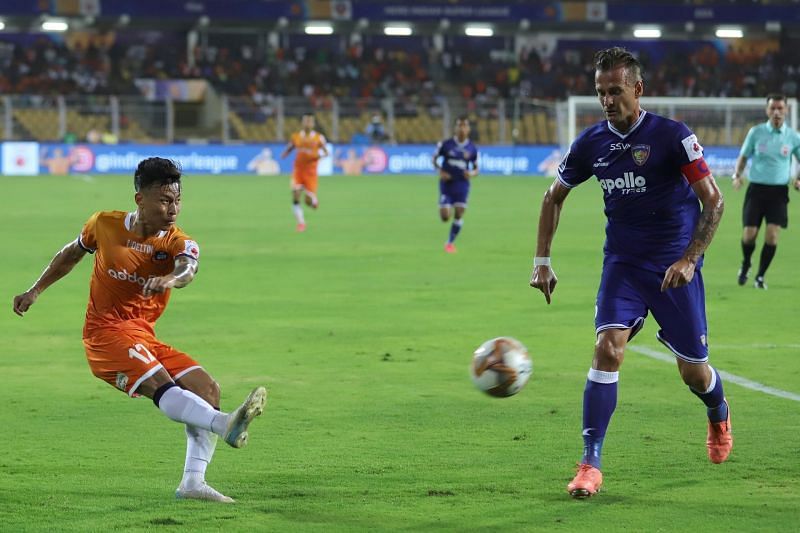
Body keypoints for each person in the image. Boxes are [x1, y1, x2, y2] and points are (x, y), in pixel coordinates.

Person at [529, 47, 731, 499]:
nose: (606, 100)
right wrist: (542, 260)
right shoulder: (591, 143)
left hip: (673, 269)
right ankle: (589, 464)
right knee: (607, 349)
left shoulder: (673, 137)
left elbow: (713, 200)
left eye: (615, 91)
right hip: (623, 264)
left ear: (637, 89)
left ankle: (718, 411)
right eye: (600, 92)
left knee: (694, 374)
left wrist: (690, 258)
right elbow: (552, 197)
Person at [12, 157, 267, 503]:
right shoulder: (103, 224)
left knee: (206, 388)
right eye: (164, 200)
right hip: (104, 335)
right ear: (140, 199)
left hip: (142, 336)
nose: (172, 208)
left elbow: (187, 270)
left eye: (177, 200)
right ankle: (224, 425)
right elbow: (71, 254)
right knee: (160, 383)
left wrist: (171, 278)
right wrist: (35, 290)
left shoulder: (178, 242)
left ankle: (193, 483)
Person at [731, 93, 800, 289]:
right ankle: (746, 263)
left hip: (778, 193)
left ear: (786, 110)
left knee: (772, 235)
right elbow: (743, 157)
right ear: (767, 110)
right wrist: (737, 175)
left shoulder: (793, 137)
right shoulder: (756, 132)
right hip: (756, 191)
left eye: (780, 108)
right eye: (773, 108)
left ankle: (760, 276)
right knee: (749, 235)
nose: (776, 112)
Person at [432, 116, 479, 253]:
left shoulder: (472, 148)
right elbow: (434, 160)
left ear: (468, 129)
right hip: (447, 184)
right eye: (459, 125)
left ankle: (449, 243)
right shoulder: (445, 145)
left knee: (459, 213)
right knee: (445, 216)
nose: (462, 128)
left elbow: (476, 169)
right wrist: (440, 171)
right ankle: (445, 208)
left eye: (465, 126)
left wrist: (470, 174)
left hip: (462, 184)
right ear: (455, 128)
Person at [281, 113, 329, 232]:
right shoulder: (296, 136)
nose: (308, 123)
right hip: (298, 171)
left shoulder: (319, 138)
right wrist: (285, 153)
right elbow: (291, 146)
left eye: (310, 121)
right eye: (306, 121)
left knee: (308, 200)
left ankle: (313, 202)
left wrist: (317, 156)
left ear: (313, 124)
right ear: (302, 123)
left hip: (311, 173)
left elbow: (326, 153)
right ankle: (301, 223)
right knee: (295, 192)